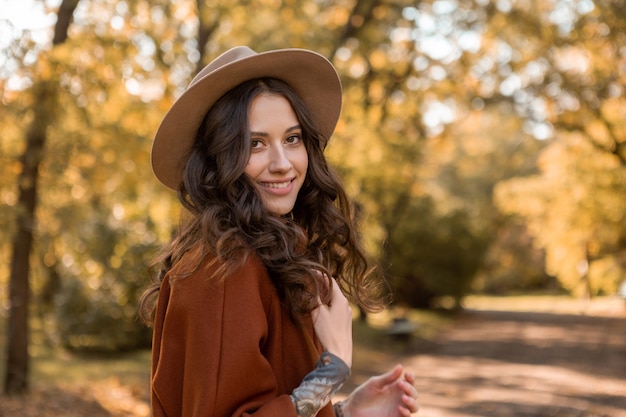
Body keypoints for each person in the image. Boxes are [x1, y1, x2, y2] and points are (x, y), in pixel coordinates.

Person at [140, 46, 419, 417]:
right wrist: (330, 374)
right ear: (217, 161)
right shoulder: (224, 268)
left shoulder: (265, 256)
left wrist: (344, 412)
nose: (283, 163)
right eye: (254, 144)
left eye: (292, 139)